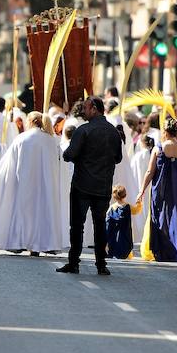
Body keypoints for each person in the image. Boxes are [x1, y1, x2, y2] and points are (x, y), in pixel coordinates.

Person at [0, 112, 65, 255]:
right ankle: (43, 243)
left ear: (30, 122)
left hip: (25, 182)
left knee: (24, 212)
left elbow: (10, 163)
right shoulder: (52, 141)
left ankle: (20, 241)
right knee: (43, 212)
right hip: (47, 184)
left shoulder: (22, 139)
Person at [58, 96, 123, 275]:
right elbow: (118, 158)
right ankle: (101, 264)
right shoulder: (113, 132)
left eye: (86, 108)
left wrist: (71, 152)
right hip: (102, 186)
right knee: (100, 225)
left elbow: (69, 155)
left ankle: (74, 263)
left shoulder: (83, 130)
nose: (83, 111)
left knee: (77, 225)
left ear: (94, 108)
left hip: (82, 185)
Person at [135, 117, 177, 264]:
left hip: (162, 189)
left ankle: (166, 251)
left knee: (162, 219)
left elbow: (150, 172)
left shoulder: (158, 148)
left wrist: (141, 190)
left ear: (166, 131)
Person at [105, 185, 141, 259]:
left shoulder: (112, 207)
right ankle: (124, 254)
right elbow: (136, 210)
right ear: (125, 195)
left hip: (113, 234)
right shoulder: (128, 206)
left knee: (113, 240)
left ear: (114, 196)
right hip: (125, 233)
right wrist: (139, 203)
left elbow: (106, 218)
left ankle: (112, 252)